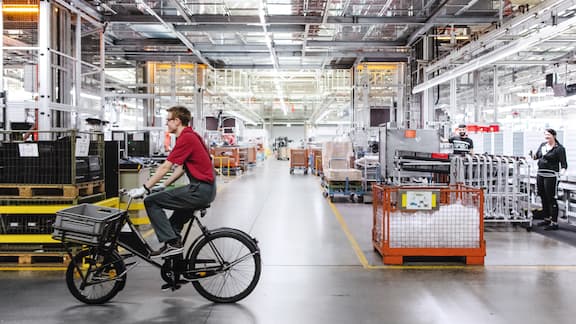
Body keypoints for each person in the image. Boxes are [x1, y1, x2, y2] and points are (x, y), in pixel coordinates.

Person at [128, 106, 216, 258]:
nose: (166, 124)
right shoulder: (191, 136)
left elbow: (165, 166)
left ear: (177, 121)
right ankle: (175, 260)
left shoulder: (187, 138)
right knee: (173, 226)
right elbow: (182, 168)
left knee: (151, 201)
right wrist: (163, 185)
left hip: (200, 190)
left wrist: (145, 188)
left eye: (168, 120)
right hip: (204, 189)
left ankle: (172, 243)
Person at [532, 128, 567, 231]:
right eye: (545, 135)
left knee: (551, 198)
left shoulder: (559, 148)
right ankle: (546, 218)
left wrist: (561, 174)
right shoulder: (543, 146)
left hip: (551, 176)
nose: (546, 137)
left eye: (548, 135)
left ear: (554, 136)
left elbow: (564, 164)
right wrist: (532, 155)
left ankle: (554, 222)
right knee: (542, 196)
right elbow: (537, 157)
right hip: (541, 174)